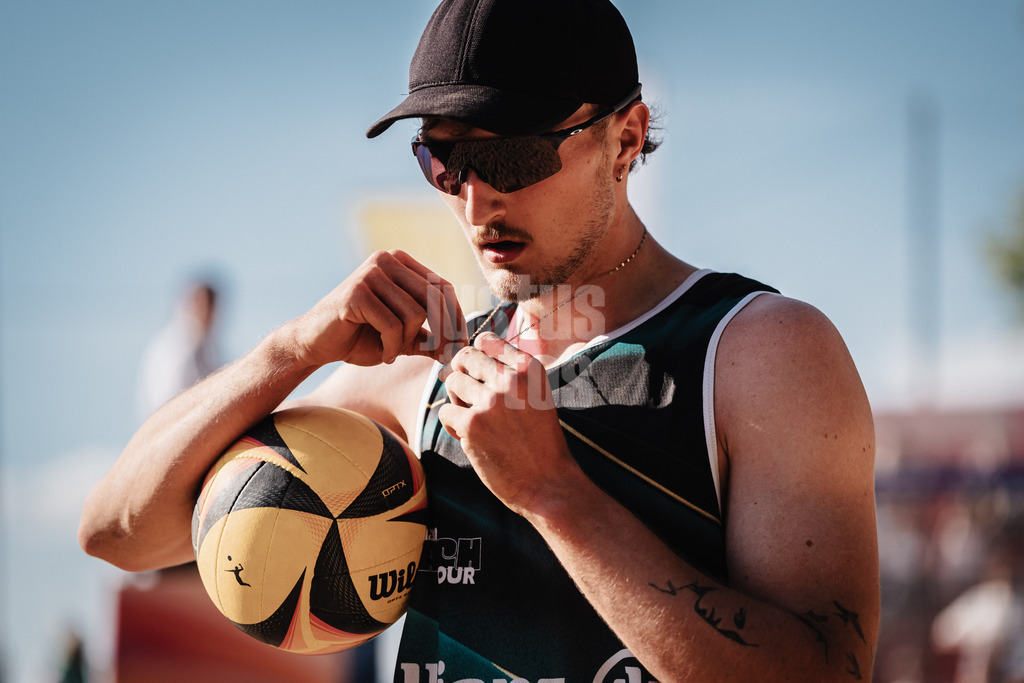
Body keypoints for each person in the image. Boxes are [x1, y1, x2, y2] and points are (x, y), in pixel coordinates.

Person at [78, 0, 881, 680]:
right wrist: (289, 351)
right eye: (444, 158)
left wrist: (553, 492)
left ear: (626, 139)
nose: (474, 200)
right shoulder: (421, 375)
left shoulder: (756, 353)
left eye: (512, 154)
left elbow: (826, 671)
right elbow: (119, 533)